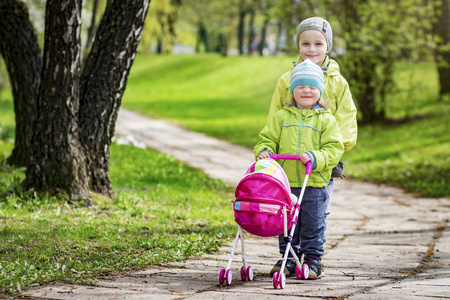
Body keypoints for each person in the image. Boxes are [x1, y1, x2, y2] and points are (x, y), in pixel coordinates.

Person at [266, 16, 358, 278]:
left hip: (321, 160)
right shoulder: (287, 79)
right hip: (290, 160)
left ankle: (313, 257)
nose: (312, 49)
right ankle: (289, 257)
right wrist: (272, 147)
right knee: (287, 210)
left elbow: (346, 117)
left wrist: (336, 150)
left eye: (318, 43)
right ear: (298, 45)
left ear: (328, 46)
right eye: (305, 43)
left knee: (315, 212)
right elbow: (276, 115)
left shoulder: (337, 82)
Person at [254, 59, 344, 279]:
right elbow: (267, 139)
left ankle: (313, 259)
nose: (306, 91)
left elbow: (334, 148)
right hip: (285, 183)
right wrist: (265, 151)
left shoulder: (326, 120)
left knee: (313, 223)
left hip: (314, 182)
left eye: (312, 87)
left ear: (320, 91)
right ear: (292, 90)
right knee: (286, 222)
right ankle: (289, 257)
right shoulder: (282, 117)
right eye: (301, 86)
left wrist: (316, 157)